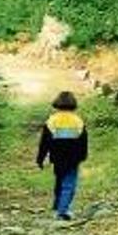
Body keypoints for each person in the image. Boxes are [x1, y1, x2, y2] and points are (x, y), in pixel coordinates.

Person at [36, 91, 87, 220]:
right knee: (69, 184)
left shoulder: (52, 121)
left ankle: (58, 205)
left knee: (60, 181)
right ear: (73, 104)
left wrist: (40, 158)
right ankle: (62, 211)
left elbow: (44, 142)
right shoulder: (78, 121)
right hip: (73, 159)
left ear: (57, 104)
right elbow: (83, 142)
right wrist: (83, 156)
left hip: (57, 158)